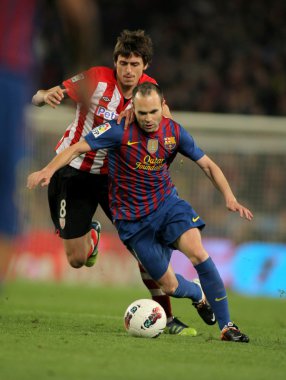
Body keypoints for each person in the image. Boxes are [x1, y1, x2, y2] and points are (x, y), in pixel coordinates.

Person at [27, 82, 253, 342]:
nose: (148, 119)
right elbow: (76, 148)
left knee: (199, 253)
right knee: (169, 286)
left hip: (168, 207)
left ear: (163, 106)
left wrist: (229, 197)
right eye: (143, 113)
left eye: (154, 112)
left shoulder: (174, 132)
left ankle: (228, 327)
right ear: (133, 108)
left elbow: (208, 165)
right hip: (133, 224)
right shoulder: (116, 131)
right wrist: (48, 170)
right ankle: (198, 295)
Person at [31, 29, 199, 336]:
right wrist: (45, 95)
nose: (129, 70)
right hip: (74, 169)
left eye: (135, 64)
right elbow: (40, 96)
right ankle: (91, 236)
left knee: (143, 250)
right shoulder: (95, 78)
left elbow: (166, 122)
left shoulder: (149, 92)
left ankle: (168, 316)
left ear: (145, 66)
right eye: (123, 62)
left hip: (117, 179)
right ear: (115, 62)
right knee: (77, 260)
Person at [0, 0, 99, 290]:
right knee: (75, 257)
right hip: (9, 72)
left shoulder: (145, 102)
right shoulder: (91, 82)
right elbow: (78, 12)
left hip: (9, 70)